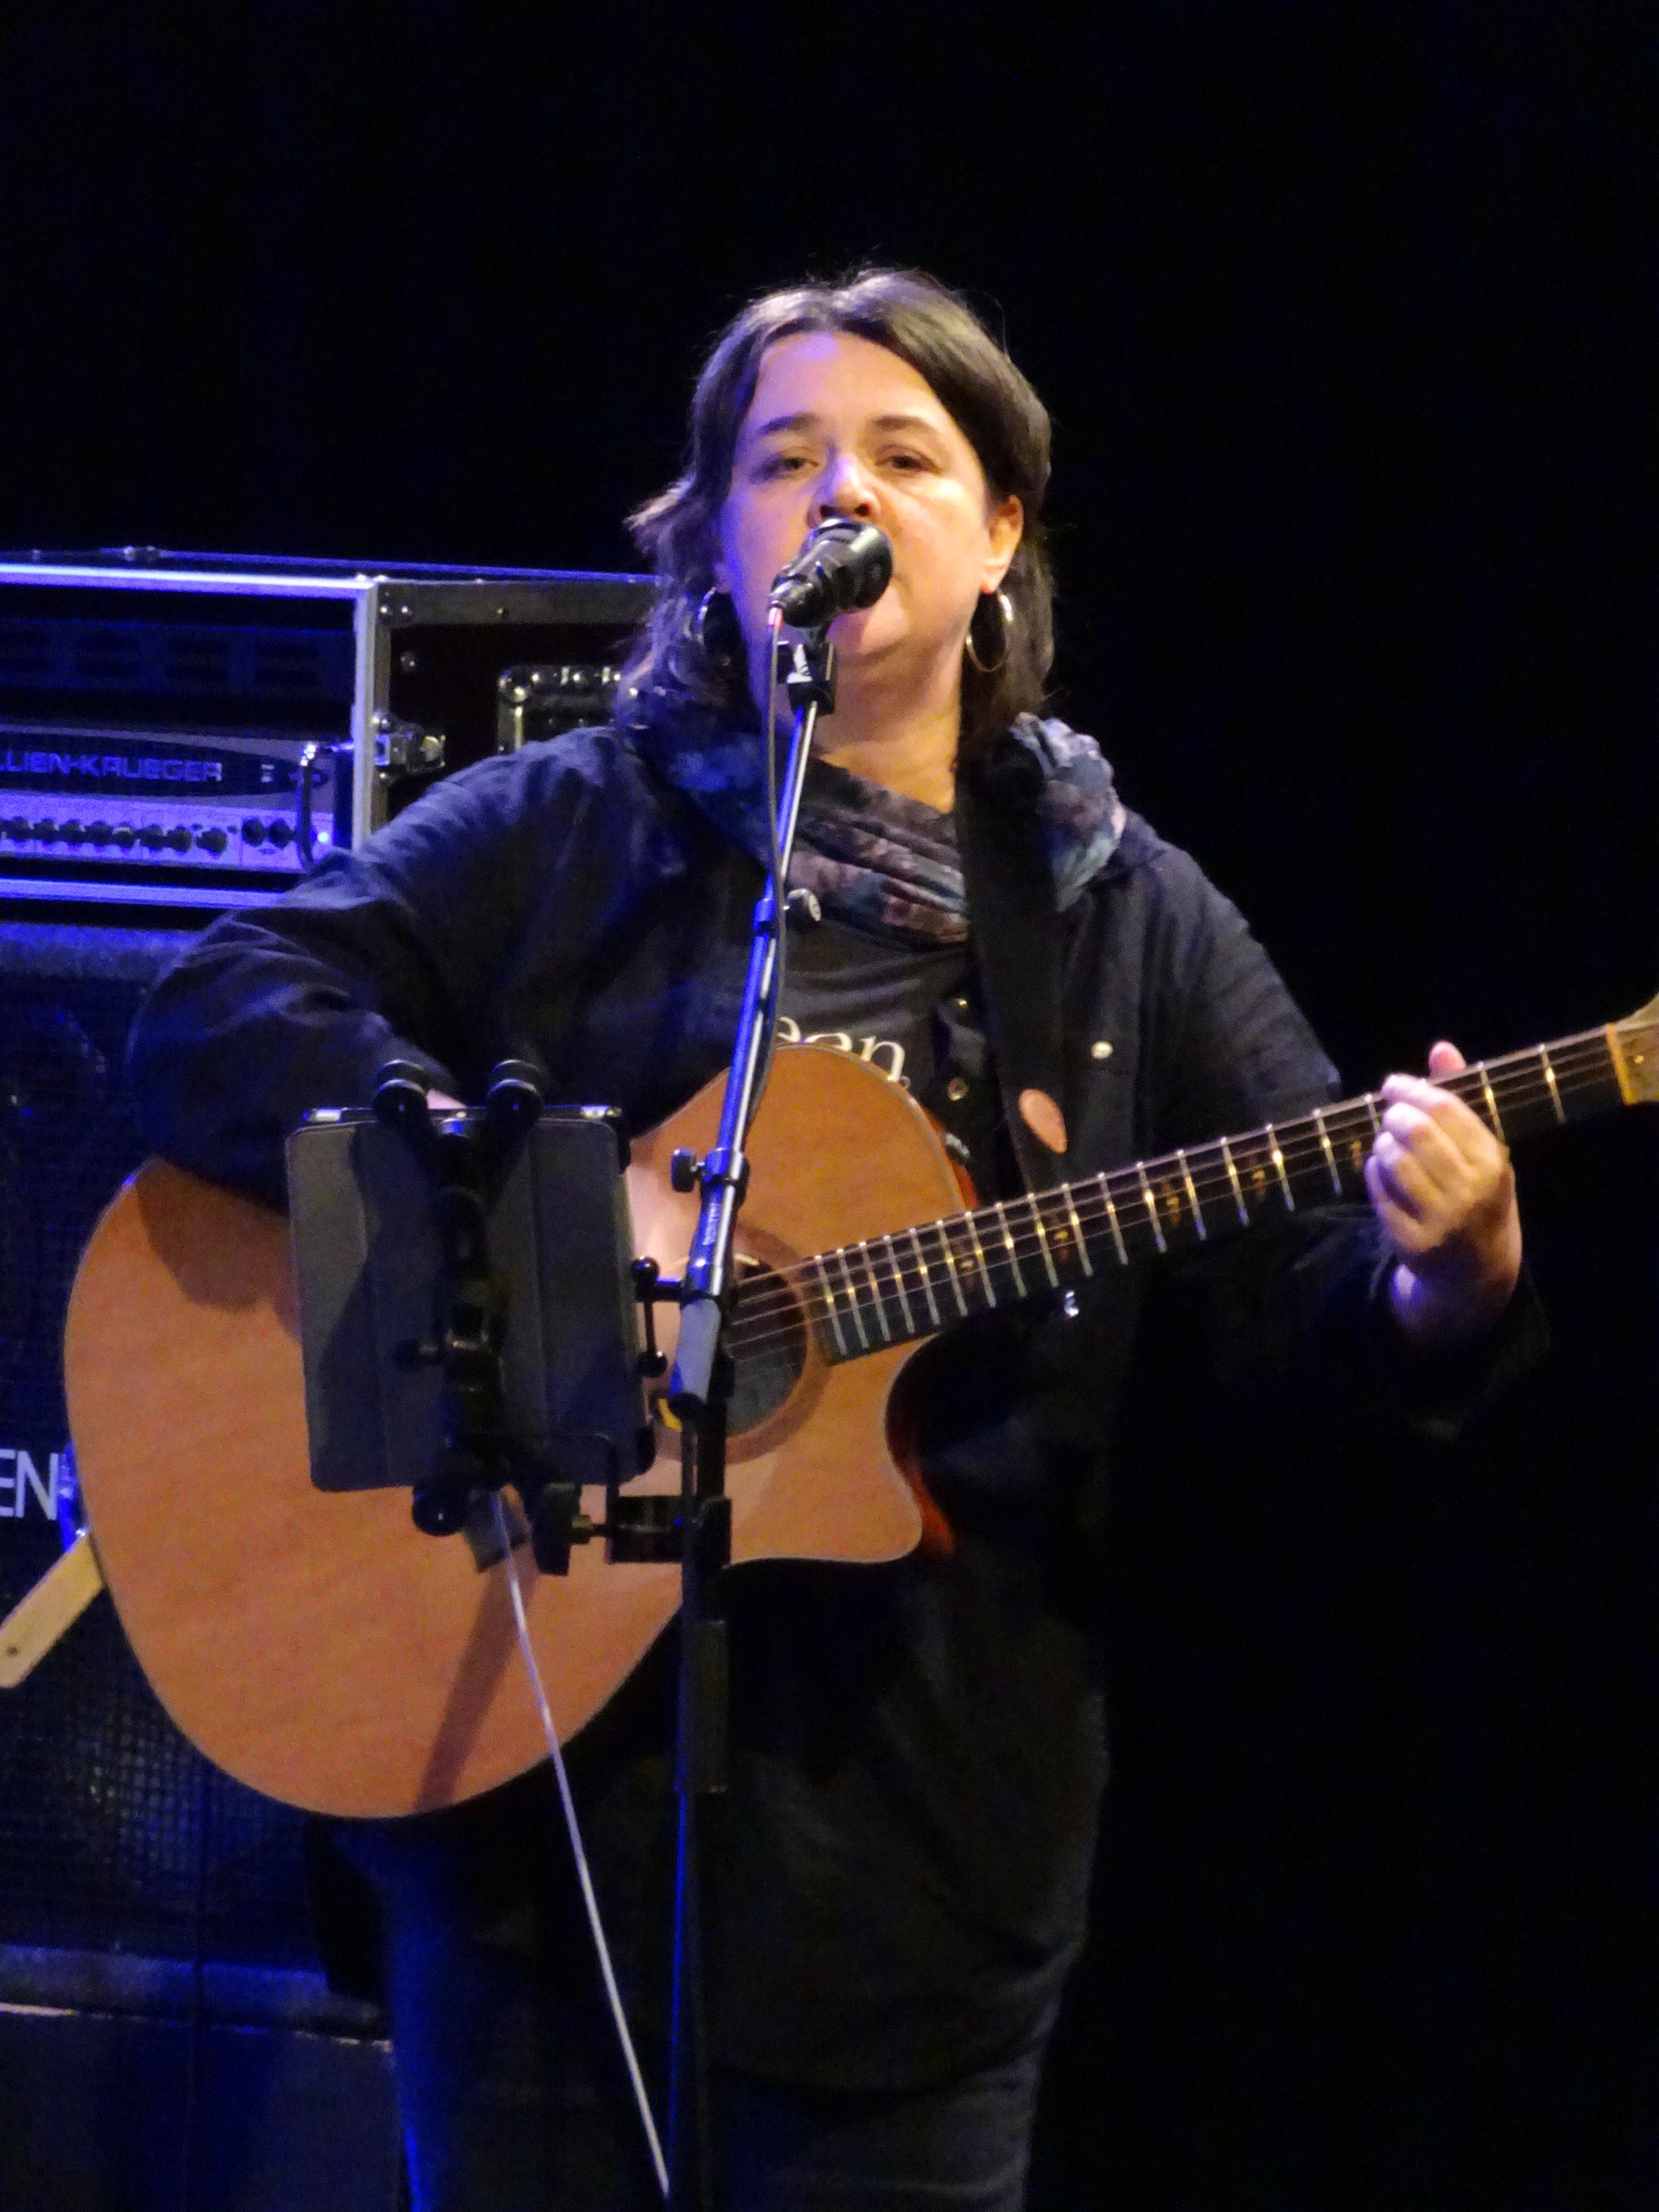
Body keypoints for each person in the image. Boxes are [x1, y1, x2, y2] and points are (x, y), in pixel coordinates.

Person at [130, 270, 1535, 2211]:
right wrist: (511, 1196)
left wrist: (1448, 1277)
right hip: (535, 1809)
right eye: (783, 460)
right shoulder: (577, 828)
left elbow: (1300, 1301)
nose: (841, 495)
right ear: (719, 537)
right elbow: (218, 1003)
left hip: (921, 1859)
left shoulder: (1125, 919)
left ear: (1002, 532)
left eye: (904, 456)